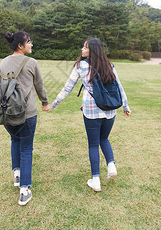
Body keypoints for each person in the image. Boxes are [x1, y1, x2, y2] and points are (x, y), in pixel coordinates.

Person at [43, 38, 131, 191]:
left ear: (92, 50)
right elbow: (119, 87)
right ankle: (111, 166)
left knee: (93, 144)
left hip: (91, 110)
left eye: (85, 47)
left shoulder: (81, 66)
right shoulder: (109, 65)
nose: (82, 50)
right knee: (104, 138)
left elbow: (67, 87)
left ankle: (95, 180)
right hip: (110, 110)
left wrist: (54, 104)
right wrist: (125, 106)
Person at [0, 31, 49, 205]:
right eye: (29, 42)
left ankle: (17, 174)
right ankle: (24, 190)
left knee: (15, 141)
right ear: (20, 45)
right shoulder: (31, 62)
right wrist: (45, 102)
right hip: (27, 113)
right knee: (26, 148)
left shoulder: (3, 62)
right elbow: (39, 86)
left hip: (7, 113)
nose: (31, 44)